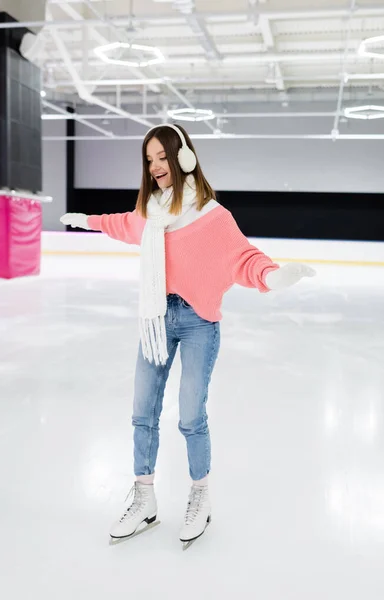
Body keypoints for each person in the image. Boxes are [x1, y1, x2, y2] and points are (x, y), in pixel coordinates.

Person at [60, 123, 315, 548]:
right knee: (143, 413)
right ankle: (144, 499)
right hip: (156, 320)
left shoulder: (213, 216)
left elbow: (244, 259)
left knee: (191, 417)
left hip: (198, 321)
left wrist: (274, 275)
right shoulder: (151, 216)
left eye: (163, 157)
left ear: (184, 158)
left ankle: (200, 497)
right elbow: (122, 223)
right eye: (149, 159)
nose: (156, 166)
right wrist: (86, 220)